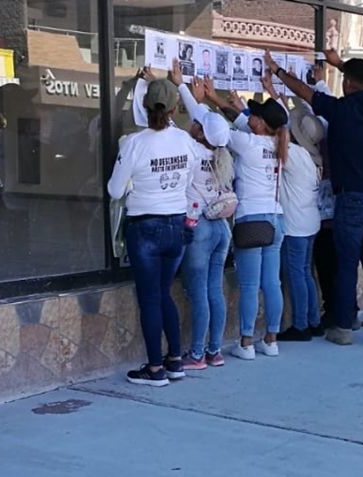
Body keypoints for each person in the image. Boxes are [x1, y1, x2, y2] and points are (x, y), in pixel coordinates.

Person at [267, 49, 363, 346]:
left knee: (346, 264)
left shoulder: (342, 110)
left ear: (347, 84)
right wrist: (339, 64)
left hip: (353, 200)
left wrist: (278, 71)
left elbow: (306, 92)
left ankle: (343, 327)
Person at [185, 64, 289, 360]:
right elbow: (242, 120)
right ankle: (271, 340)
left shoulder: (248, 142)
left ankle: (246, 342)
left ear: (260, 123)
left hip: (251, 220)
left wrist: (200, 101)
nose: (249, 115)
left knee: (249, 285)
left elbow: (215, 131)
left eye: (254, 115)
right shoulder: (279, 141)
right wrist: (217, 99)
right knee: (272, 283)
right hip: (276, 219)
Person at [107, 77, 201, 386]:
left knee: (149, 298)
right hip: (176, 225)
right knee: (164, 293)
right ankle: (174, 360)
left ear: (144, 107)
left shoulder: (134, 143)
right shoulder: (186, 141)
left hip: (144, 226)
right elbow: (191, 181)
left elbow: (115, 189)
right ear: (174, 108)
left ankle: (155, 368)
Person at [171, 74, 234, 370]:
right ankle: (214, 351)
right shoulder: (222, 152)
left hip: (199, 229)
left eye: (197, 123)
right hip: (221, 228)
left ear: (199, 132)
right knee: (214, 291)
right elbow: (203, 117)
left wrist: (176, 88)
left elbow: (166, 123)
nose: (193, 122)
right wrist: (183, 87)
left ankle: (196, 355)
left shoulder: (190, 148)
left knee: (199, 295)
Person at [277, 102, 324, 341]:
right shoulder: (309, 156)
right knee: (306, 272)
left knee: (296, 274)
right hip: (310, 222)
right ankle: (314, 320)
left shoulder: (293, 154)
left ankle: (300, 325)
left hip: (295, 225)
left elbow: (268, 142)